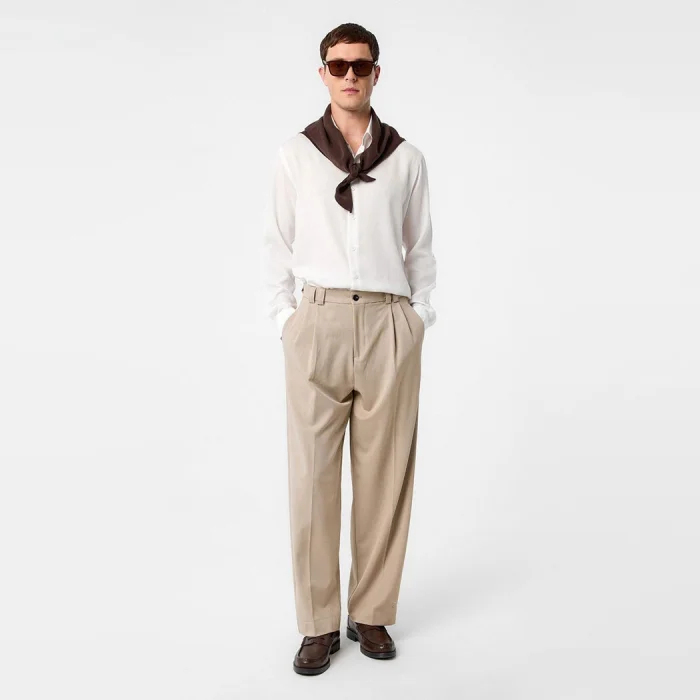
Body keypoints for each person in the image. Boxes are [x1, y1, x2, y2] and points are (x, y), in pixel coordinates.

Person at [260, 22, 437, 676]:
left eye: (361, 65)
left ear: (376, 73)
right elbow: (276, 244)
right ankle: (317, 623)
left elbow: (420, 248)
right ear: (323, 74)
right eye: (339, 66)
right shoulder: (296, 154)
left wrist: (418, 318)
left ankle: (371, 612)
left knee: (384, 476)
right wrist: (286, 321)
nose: (350, 76)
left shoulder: (406, 159)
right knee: (311, 479)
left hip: (389, 322)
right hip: (320, 321)